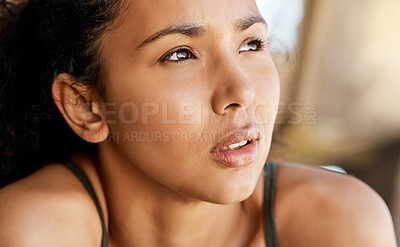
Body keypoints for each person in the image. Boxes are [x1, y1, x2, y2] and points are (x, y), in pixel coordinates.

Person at [0, 0, 397, 246]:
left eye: (251, 44)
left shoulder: (341, 223)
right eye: (180, 54)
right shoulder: (32, 231)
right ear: (87, 105)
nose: (241, 91)